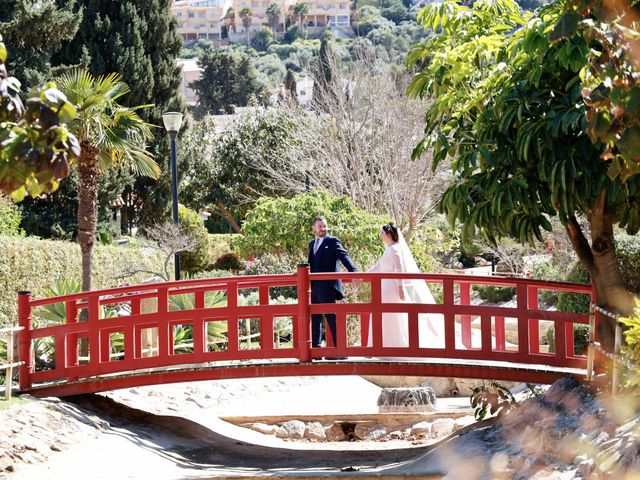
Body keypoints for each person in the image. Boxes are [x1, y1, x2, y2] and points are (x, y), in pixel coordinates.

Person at [367, 223, 445, 348]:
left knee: (392, 315)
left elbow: (400, 269)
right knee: (383, 315)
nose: (380, 235)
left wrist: (400, 288)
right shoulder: (388, 249)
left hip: (391, 287)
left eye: (381, 232)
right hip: (384, 286)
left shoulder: (395, 249)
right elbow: (379, 267)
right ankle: (381, 345)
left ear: (388, 235)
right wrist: (364, 275)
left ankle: (395, 346)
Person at [308, 216, 358, 348]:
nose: (323, 229)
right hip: (314, 286)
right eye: (320, 226)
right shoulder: (311, 243)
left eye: (324, 226)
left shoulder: (332, 241)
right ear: (314, 228)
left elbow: (344, 256)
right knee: (315, 318)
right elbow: (310, 264)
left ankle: (340, 349)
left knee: (331, 317)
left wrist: (354, 272)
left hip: (328, 285)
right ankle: (316, 349)